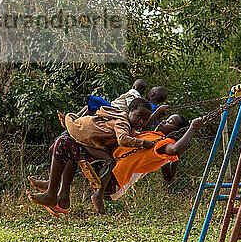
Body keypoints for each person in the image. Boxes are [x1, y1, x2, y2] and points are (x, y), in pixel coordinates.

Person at [28, 114, 203, 215]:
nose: (165, 122)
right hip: (105, 169)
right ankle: (61, 194)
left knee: (65, 142)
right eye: (167, 120)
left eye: (170, 122)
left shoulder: (162, 144)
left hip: (110, 181)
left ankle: (54, 192)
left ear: (178, 132)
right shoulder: (154, 137)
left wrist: (192, 129)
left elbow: (173, 151)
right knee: (70, 139)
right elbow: (169, 176)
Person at [29, 98, 155, 214]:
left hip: (92, 143)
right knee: (64, 143)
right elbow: (122, 139)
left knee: (65, 143)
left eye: (144, 119)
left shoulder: (126, 122)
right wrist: (142, 143)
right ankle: (53, 191)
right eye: (138, 116)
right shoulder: (123, 123)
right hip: (90, 140)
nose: (141, 121)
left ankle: (57, 192)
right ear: (129, 111)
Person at [77, 78, 147, 117]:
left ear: (133, 86)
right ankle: (77, 117)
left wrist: (130, 111)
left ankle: (77, 119)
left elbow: (131, 103)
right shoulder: (138, 97)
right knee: (90, 106)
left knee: (97, 100)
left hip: (114, 109)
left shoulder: (133, 93)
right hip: (114, 109)